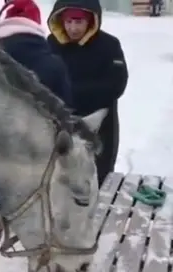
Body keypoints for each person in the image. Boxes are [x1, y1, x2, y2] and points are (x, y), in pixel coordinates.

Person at [0, 0, 73, 272]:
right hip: (34, 187)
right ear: (36, 27)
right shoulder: (53, 65)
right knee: (40, 253)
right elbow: (65, 124)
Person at [47, 0, 128, 187]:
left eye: (78, 22)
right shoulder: (51, 44)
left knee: (98, 177)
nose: (73, 28)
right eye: (68, 22)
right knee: (59, 179)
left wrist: (69, 93)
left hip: (101, 126)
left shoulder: (109, 45)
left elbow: (116, 84)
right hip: (60, 124)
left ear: (91, 21)